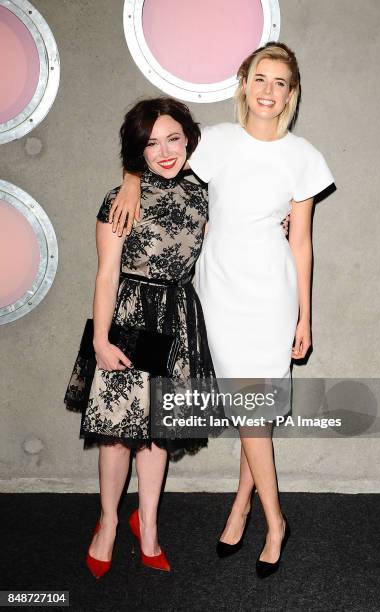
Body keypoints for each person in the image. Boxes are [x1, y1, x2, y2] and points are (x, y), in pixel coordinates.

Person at [110, 42, 335, 578]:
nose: (268, 91)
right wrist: (129, 180)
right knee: (250, 409)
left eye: (280, 83)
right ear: (244, 84)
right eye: (261, 78)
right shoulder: (215, 141)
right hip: (218, 290)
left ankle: (269, 520)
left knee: (252, 411)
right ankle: (250, 509)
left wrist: (305, 315)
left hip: (270, 293)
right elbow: (160, 157)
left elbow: (301, 242)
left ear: (290, 95)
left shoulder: (303, 156)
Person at [64, 97, 219, 578]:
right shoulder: (119, 198)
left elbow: (238, 238)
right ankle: (108, 523)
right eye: (151, 144)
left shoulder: (204, 198)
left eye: (173, 138)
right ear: (138, 152)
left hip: (177, 320)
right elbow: (106, 275)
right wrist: (101, 341)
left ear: (189, 139)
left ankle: (146, 524)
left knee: (158, 435)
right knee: (117, 435)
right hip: (131, 316)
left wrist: (279, 221)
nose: (166, 151)